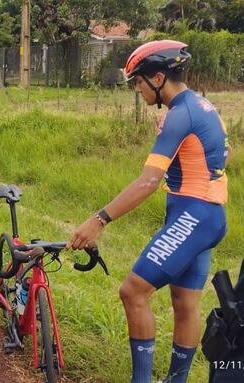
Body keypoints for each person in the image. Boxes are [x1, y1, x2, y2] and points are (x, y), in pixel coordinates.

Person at [68, 40, 229, 383]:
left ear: (158, 78)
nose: (137, 90)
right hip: (208, 215)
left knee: (133, 291)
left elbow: (148, 182)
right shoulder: (204, 106)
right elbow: (219, 160)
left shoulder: (179, 115)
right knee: (185, 302)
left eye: (139, 82)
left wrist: (99, 220)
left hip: (194, 215)